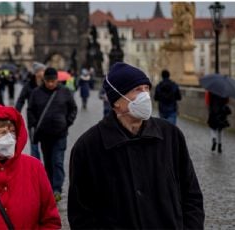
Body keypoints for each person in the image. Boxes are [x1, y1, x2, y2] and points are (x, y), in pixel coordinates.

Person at [68, 62, 204, 229]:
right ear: (116, 101)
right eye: (137, 90)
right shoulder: (88, 147)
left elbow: (191, 195)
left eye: (146, 88)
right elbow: (81, 214)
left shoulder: (171, 136)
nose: (145, 95)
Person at [27, 67, 78, 202]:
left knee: (58, 161)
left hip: (60, 133)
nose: (50, 84)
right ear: (44, 80)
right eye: (48, 81)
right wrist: (33, 126)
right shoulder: (36, 93)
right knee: (48, 162)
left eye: (53, 81)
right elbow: (30, 110)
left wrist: (67, 122)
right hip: (44, 135)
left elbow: (73, 108)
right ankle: (49, 187)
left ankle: (57, 189)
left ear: (57, 80)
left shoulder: (65, 92)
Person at [15, 62, 46, 159]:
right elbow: (21, 100)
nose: (42, 73)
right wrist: (16, 114)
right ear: (36, 73)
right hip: (33, 120)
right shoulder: (29, 85)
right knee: (34, 146)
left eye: (43, 71)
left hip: (46, 119)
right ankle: (36, 167)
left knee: (46, 148)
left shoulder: (48, 84)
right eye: (40, 71)